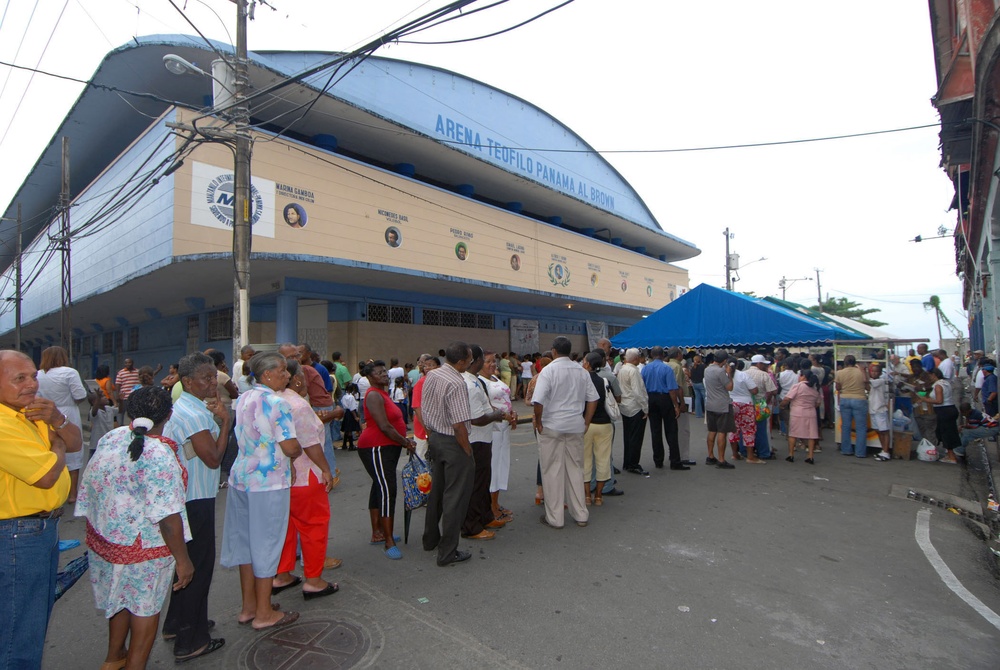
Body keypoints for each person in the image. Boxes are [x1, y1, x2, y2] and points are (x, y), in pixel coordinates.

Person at [76, 386, 203, 668]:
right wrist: (183, 561)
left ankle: (113, 658)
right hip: (145, 546)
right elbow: (168, 518)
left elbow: (93, 487)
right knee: (145, 608)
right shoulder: (159, 453)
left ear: (129, 411)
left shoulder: (112, 437)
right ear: (168, 416)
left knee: (119, 597)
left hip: (108, 540)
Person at [0, 350, 82, 669]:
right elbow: (47, 476)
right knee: (19, 636)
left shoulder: (30, 412)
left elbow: (74, 442)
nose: (31, 384)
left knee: (28, 625)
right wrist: (56, 445)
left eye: (33, 376)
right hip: (18, 535)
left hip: (38, 530)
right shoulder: (4, 424)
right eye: (19, 378)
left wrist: (57, 421)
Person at [222, 351, 303, 630]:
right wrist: (297, 451)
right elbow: (290, 446)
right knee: (267, 544)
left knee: (246, 544)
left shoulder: (244, 398)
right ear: (267, 374)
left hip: (242, 477)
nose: (288, 375)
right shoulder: (276, 402)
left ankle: (250, 606)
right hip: (267, 482)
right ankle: (264, 612)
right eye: (282, 370)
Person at [160, 352, 230, 658]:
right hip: (195, 497)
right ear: (187, 382)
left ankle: (178, 622)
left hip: (186, 494)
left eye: (214, 376)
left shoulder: (189, 408)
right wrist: (225, 422)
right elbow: (213, 458)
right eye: (205, 378)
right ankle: (191, 640)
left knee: (186, 566)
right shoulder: (193, 414)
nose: (212, 382)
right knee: (198, 568)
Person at [272, 359, 341, 598]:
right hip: (305, 475)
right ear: (298, 379)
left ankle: (282, 574)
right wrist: (326, 469)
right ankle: (313, 579)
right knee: (313, 527)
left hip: (280, 477)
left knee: (287, 526)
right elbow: (309, 443)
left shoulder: (270, 401)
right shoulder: (297, 405)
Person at [532, 336, 599, 529]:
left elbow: (538, 400)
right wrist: (586, 421)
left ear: (553, 351)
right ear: (569, 351)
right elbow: (593, 399)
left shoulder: (549, 371)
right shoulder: (581, 371)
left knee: (552, 470)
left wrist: (539, 423)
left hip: (552, 425)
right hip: (575, 426)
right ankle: (580, 514)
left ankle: (555, 518)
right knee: (576, 469)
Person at [421, 341, 475, 567]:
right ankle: (447, 552)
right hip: (453, 442)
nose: (471, 363)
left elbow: (425, 408)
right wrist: (467, 451)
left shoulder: (433, 375)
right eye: (469, 360)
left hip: (435, 438)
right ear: (461, 361)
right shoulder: (456, 382)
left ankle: (430, 539)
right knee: (455, 498)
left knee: (437, 494)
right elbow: (459, 424)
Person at [358, 360, 415, 559]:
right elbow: (384, 426)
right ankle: (388, 540)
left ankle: (378, 532)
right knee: (387, 491)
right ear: (369, 377)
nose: (384, 374)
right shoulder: (373, 395)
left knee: (379, 487)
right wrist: (405, 441)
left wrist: (401, 441)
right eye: (379, 372)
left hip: (387, 448)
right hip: (376, 447)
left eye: (384, 371)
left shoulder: (383, 393)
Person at [461, 345, 507, 541]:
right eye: (485, 360)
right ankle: (471, 526)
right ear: (477, 361)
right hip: (476, 438)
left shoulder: (476, 381)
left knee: (483, 481)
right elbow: (476, 418)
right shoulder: (469, 385)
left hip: (484, 437)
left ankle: (485, 516)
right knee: (476, 484)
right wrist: (496, 414)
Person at [36, 346, 89, 503]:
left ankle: (54, 490)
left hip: (45, 413)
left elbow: (36, 396)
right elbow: (80, 395)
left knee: (52, 449)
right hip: (69, 413)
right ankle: (72, 493)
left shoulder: (38, 375)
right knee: (73, 452)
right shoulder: (69, 372)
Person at [482, 351, 517, 522]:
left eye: (493, 361)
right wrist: (504, 415)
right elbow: (485, 406)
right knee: (493, 467)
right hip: (492, 428)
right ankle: (490, 507)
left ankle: (495, 502)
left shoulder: (494, 378)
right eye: (488, 361)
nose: (492, 364)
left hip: (504, 428)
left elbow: (505, 400)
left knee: (502, 465)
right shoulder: (479, 382)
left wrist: (512, 413)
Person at [641, 346, 686, 470]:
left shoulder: (645, 369)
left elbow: (642, 387)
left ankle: (658, 460)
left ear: (651, 355)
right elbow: (672, 389)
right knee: (671, 430)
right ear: (662, 355)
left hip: (651, 398)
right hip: (664, 398)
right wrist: (675, 405)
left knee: (655, 430)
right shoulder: (666, 368)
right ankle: (675, 460)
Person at [582, 352, 614, 506]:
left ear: (587, 364)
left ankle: (587, 495)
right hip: (604, 424)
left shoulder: (581, 382)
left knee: (585, 460)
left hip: (585, 425)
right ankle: (599, 496)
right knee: (603, 460)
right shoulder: (604, 381)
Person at [914, 368, 961, 464]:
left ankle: (951, 456)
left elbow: (939, 401)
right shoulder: (946, 383)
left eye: (929, 376)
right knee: (947, 432)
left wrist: (924, 399)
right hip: (950, 409)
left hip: (944, 411)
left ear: (934, 375)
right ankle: (949, 454)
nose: (929, 378)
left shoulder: (938, 386)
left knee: (946, 433)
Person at [780, 361, 822, 464]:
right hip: (811, 413)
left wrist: (782, 405)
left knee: (793, 433)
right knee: (811, 435)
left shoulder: (798, 386)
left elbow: (787, 398)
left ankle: (791, 455)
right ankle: (810, 456)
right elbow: (817, 403)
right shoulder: (815, 388)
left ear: (803, 377)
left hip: (797, 412)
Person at [619, 348, 650, 475]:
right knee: (636, 437)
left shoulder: (622, 369)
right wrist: (645, 407)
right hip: (635, 406)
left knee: (628, 436)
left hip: (625, 406)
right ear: (636, 358)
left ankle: (627, 462)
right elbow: (638, 392)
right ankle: (633, 463)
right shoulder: (633, 371)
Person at [704, 351, 736, 469]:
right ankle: (721, 459)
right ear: (724, 361)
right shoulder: (720, 371)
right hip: (722, 404)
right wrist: (729, 374)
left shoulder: (707, 369)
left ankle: (710, 456)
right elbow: (729, 387)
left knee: (712, 430)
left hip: (710, 403)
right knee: (722, 432)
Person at [667, 346, 698, 466]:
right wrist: (681, 404)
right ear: (678, 354)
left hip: (669, 400)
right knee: (683, 430)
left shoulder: (667, 365)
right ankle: (683, 456)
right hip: (679, 400)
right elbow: (678, 387)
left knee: (672, 430)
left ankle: (673, 454)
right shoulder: (677, 367)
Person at [835, 355, 870, 458]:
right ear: (855, 363)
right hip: (859, 399)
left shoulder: (839, 373)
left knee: (846, 426)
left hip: (845, 399)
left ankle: (846, 450)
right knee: (861, 427)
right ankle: (860, 452)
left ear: (844, 363)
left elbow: (838, 387)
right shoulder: (861, 372)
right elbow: (868, 387)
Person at [728, 359, 762, 463]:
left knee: (733, 429)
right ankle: (750, 456)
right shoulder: (743, 375)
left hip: (731, 404)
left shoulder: (724, 375)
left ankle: (735, 454)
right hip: (746, 404)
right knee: (748, 430)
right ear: (738, 364)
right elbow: (754, 390)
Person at [744, 354, 777, 460]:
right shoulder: (764, 375)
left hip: (747, 404)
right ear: (759, 363)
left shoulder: (743, 374)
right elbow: (772, 391)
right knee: (762, 430)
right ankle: (763, 452)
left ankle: (745, 451)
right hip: (761, 404)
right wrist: (767, 401)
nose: (764, 366)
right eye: (763, 364)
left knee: (746, 429)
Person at [868, 363, 894, 462]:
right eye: (872, 371)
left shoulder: (880, 381)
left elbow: (867, 381)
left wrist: (864, 369)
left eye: (876, 371)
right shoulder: (874, 382)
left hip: (880, 409)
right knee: (878, 430)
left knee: (884, 431)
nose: (873, 373)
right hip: (873, 409)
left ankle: (886, 451)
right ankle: (883, 449)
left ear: (879, 373)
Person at [90, 364, 117, 455]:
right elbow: (109, 391)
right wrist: (114, 401)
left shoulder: (96, 381)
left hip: (98, 402)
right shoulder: (107, 380)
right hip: (101, 401)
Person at [115, 358, 140, 425]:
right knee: (121, 412)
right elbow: (118, 384)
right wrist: (117, 395)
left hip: (134, 397)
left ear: (132, 363)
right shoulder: (121, 372)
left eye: (129, 362)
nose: (127, 364)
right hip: (124, 397)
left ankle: (133, 425)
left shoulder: (138, 372)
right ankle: (120, 425)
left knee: (133, 413)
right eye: (126, 363)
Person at [340, 383, 361, 451]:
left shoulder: (344, 396)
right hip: (351, 413)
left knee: (347, 429)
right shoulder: (351, 397)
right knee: (350, 430)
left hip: (346, 413)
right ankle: (351, 445)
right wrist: (355, 417)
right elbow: (352, 408)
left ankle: (344, 444)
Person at [690, 354, 706, 418]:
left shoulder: (692, 368)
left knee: (697, 398)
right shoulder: (703, 366)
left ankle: (698, 414)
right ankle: (707, 413)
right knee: (705, 398)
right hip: (701, 383)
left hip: (694, 384)